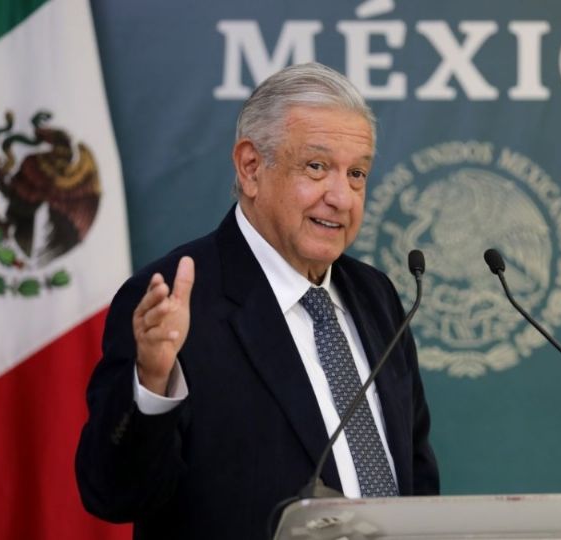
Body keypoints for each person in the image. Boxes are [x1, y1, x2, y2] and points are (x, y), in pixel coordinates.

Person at [75, 62, 439, 539]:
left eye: (356, 174)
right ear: (250, 167)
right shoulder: (173, 301)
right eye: (317, 167)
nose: (342, 198)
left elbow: (414, 474)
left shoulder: (377, 296)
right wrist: (152, 384)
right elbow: (113, 493)